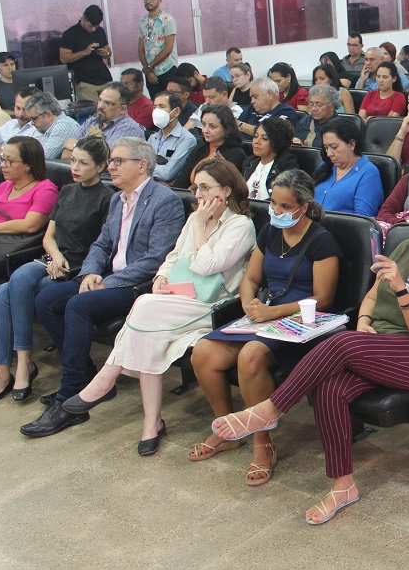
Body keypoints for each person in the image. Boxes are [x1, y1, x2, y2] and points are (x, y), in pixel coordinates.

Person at [208, 184, 409, 524]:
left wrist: (401, 290)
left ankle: (269, 409)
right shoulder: (407, 247)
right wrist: (364, 322)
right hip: (375, 343)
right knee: (330, 388)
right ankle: (342, 485)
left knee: (338, 342)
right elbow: (370, 298)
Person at [59, 159, 256, 454]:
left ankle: (105, 379)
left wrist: (201, 224)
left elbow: (206, 265)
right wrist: (161, 276)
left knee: (144, 307)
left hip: (211, 304)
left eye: (206, 188)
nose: (199, 195)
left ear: (226, 190)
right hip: (179, 299)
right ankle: (151, 424)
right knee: (147, 331)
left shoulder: (241, 225)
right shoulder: (194, 220)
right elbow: (174, 256)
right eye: (195, 188)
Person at [22, 137, 185, 438]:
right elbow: (101, 244)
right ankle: (83, 375)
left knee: (78, 305)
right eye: (111, 160)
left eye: (118, 161)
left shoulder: (165, 200)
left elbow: (155, 259)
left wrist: (108, 282)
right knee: (46, 299)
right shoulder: (116, 198)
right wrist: (90, 273)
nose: (111, 166)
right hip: (107, 277)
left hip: (137, 285)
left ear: (142, 165)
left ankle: (70, 399)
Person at [190, 170, 342, 485]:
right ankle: (229, 427)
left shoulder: (322, 240)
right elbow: (251, 278)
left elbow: (323, 297)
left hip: (301, 321)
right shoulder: (269, 231)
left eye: (285, 206)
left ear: (304, 206)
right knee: (203, 352)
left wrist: (273, 312)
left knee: (250, 357)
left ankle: (263, 443)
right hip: (264, 313)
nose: (276, 211)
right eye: (273, 203)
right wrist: (248, 304)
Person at [0, 138, 113, 407]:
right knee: (6, 288)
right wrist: (56, 255)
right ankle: (7, 368)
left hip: (79, 265)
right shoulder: (67, 191)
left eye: (83, 163)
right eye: (72, 160)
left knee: (7, 291)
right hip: (52, 258)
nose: (74, 167)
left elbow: (101, 245)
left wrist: (65, 261)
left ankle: (20, 367)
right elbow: (49, 235)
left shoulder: (107, 198)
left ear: (100, 167)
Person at [0, 137, 59, 287]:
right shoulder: (5, 186)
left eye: (9, 161)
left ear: (29, 165)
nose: (2, 165)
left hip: (11, 249)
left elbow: (30, 225)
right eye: (2, 158)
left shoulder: (45, 189)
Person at [312, 118, 382, 217]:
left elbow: (363, 219)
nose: (328, 153)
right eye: (326, 147)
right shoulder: (325, 165)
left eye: (334, 147)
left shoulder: (368, 172)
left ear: (351, 144)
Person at [62, 81, 147, 162]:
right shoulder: (91, 122)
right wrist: (91, 153)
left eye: (108, 103)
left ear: (122, 109)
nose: (100, 106)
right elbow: (65, 155)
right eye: (100, 100)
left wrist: (76, 145)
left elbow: (110, 159)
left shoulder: (129, 128)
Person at [175, 105, 247, 188]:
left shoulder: (236, 154)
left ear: (227, 128)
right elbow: (181, 183)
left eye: (212, 126)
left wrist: (223, 167)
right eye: (204, 124)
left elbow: (226, 187)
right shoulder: (200, 147)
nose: (205, 130)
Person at [59, 4, 112, 102]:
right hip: (85, 82)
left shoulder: (100, 31)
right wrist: (84, 52)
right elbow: (64, 58)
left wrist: (106, 53)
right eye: (90, 26)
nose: (93, 29)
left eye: (96, 26)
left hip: (104, 78)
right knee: (91, 113)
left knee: (111, 110)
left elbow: (108, 50)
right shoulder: (70, 34)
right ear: (83, 19)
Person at [243, 118, 299, 201]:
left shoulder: (287, 163)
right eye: (255, 136)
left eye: (264, 138)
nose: (257, 142)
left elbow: (284, 197)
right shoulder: (249, 162)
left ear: (277, 142)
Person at [148, 92, 197, 185]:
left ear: (176, 112)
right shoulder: (152, 138)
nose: (156, 111)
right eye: (155, 107)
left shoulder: (187, 139)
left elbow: (167, 173)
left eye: (162, 107)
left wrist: (145, 168)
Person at [138, 0, 178, 96]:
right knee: (155, 103)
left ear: (160, 0)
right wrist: (148, 70)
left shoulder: (167, 20)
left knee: (171, 102)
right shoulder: (143, 21)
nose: (148, 2)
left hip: (167, 69)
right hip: (150, 72)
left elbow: (168, 49)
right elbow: (141, 48)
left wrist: (149, 66)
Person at [300, 84, 343, 149]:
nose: (314, 109)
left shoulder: (341, 126)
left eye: (319, 104)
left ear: (332, 106)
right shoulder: (305, 122)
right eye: (311, 104)